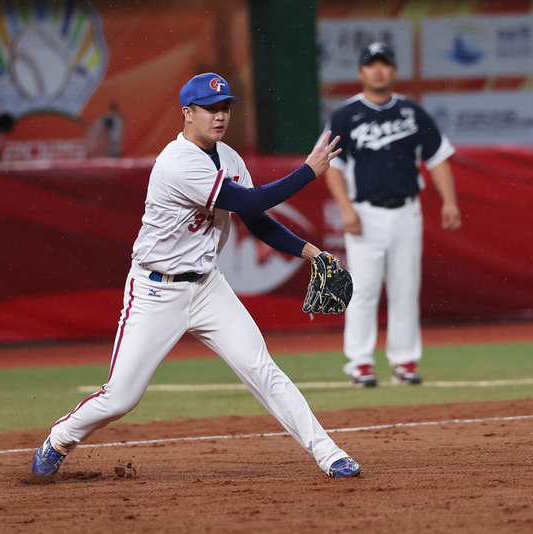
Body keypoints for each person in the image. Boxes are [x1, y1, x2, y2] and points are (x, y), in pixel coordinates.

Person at [31, 72, 362, 479]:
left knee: (262, 369)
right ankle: (60, 438)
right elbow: (247, 199)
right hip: (156, 291)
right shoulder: (177, 162)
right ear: (187, 113)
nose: (219, 116)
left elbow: (257, 220)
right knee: (121, 398)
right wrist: (307, 171)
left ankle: (329, 454)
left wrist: (311, 252)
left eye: (225, 108)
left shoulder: (230, 158)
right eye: (209, 109)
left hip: (208, 287)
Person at [321, 42, 462, 387]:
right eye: (372, 64)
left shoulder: (412, 113)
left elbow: (437, 158)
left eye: (384, 63)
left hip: (406, 210)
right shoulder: (346, 114)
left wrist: (449, 201)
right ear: (361, 72)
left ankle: (405, 361)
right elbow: (331, 165)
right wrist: (346, 209)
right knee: (363, 289)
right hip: (365, 212)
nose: (378, 70)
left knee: (405, 288)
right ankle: (360, 363)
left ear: (395, 70)